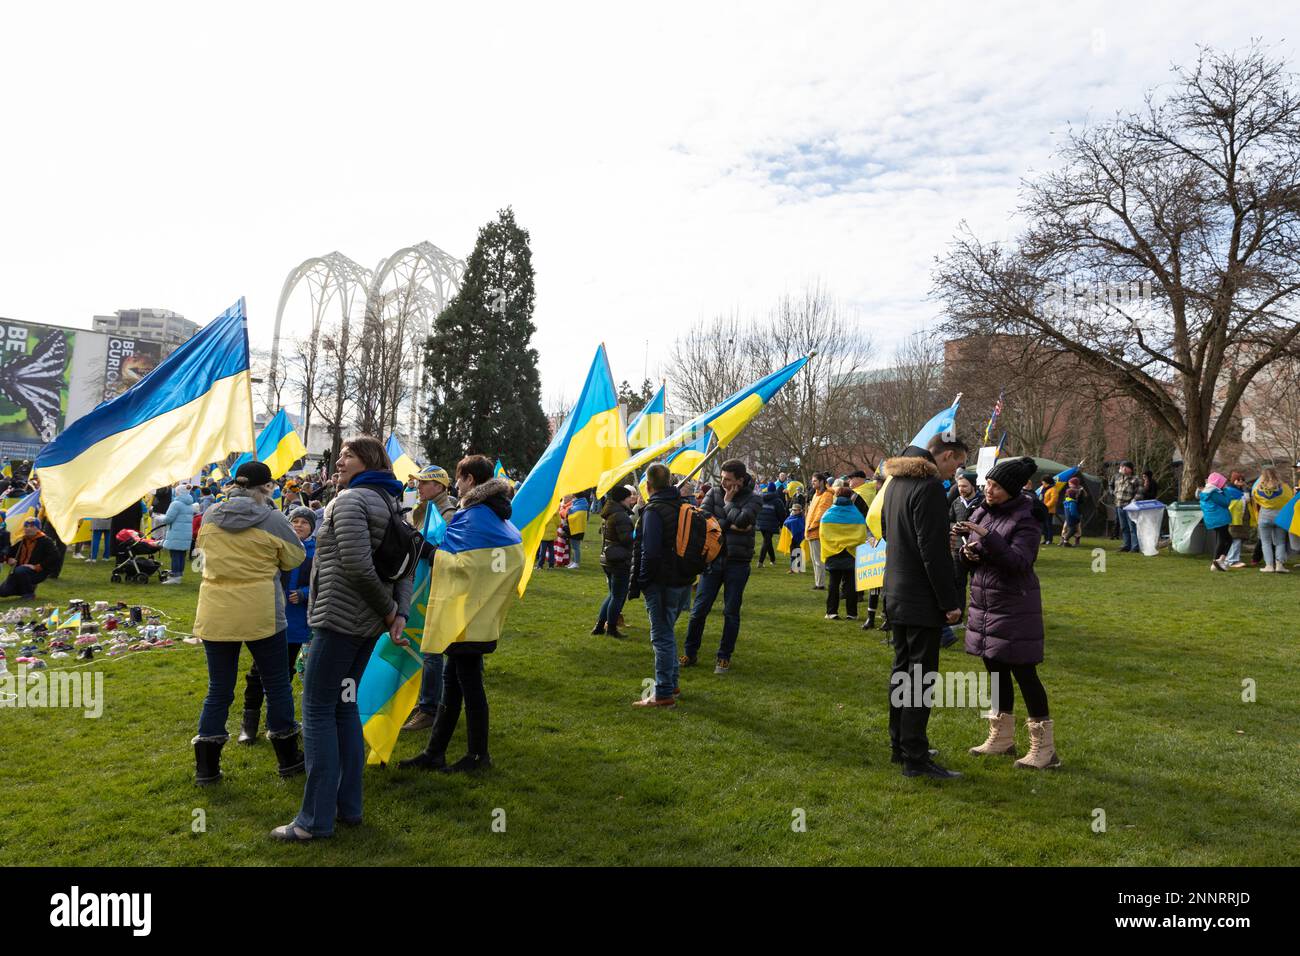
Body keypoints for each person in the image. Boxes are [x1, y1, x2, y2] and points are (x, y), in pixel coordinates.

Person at [273, 437, 412, 840]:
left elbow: (356, 565)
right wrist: (395, 613)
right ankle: (348, 808)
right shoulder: (391, 503)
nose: (338, 462)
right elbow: (406, 567)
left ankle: (313, 822)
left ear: (369, 460)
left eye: (348, 456)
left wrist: (391, 612)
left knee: (317, 709)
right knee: (344, 707)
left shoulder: (350, 501)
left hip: (339, 623)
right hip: (366, 626)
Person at [397, 455, 518, 772]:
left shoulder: (475, 515)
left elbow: (462, 565)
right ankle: (435, 752)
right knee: (453, 683)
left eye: (459, 477)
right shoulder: (493, 514)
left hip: (469, 618)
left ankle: (478, 756)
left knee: (469, 685)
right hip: (474, 615)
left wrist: (426, 550)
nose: (457, 483)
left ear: (470, 480)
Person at [191, 462, 307, 786]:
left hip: (217, 612)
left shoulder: (212, 514)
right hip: (261, 613)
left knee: (219, 689)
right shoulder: (273, 518)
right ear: (267, 487)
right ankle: (288, 758)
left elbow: (199, 557)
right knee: (277, 685)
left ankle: (207, 768)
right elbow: (295, 557)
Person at [952, 457, 1058, 768]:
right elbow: (981, 555)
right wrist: (967, 553)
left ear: (1011, 490)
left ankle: (1045, 749)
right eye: (989, 485)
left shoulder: (1027, 519)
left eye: (997, 487)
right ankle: (1001, 738)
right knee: (995, 669)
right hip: (987, 604)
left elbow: (1019, 562)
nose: (989, 491)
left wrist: (986, 537)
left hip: (1014, 605)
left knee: (1025, 672)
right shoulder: (982, 511)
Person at [879, 434, 967, 779]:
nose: (954, 474)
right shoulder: (928, 487)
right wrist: (950, 602)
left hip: (897, 592)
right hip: (920, 597)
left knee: (902, 672)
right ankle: (915, 756)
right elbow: (932, 553)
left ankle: (901, 745)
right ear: (945, 456)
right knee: (918, 679)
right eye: (956, 465)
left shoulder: (896, 482)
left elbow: (890, 532)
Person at [237, 505, 317, 745]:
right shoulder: (277, 546)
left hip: (295, 624)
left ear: (312, 527)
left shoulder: (316, 552)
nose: (299, 525)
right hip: (269, 618)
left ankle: (277, 722)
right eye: (295, 521)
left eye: (305, 522)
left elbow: (322, 582)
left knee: (284, 673)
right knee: (257, 672)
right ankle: (248, 723)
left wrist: (303, 593)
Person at [681, 459, 763, 675]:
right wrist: (732, 524)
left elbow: (745, 522)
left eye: (728, 479)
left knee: (731, 612)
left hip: (738, 562)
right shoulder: (712, 493)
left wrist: (728, 503)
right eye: (723, 479)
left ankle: (724, 657)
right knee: (699, 610)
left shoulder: (754, 498)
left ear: (740, 480)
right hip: (713, 559)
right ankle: (690, 652)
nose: (723, 483)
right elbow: (703, 520)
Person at [628, 463, 693, 707]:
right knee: (668, 632)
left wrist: (643, 580)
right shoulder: (683, 505)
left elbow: (650, 552)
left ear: (648, 485)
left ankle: (663, 692)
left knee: (661, 637)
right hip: (682, 579)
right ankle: (672, 684)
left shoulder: (654, 510)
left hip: (662, 582)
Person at [401, 465, 459, 734]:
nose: (419, 487)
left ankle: (429, 708)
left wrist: (424, 548)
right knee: (422, 645)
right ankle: (425, 701)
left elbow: (446, 554)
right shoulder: (422, 510)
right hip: (420, 586)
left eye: (424, 483)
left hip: (436, 589)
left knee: (431, 650)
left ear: (439, 487)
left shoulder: (448, 514)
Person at [591, 484, 637, 638]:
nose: (631, 500)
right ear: (623, 499)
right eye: (629, 497)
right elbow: (626, 539)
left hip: (608, 558)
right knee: (618, 596)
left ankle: (599, 626)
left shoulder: (610, 513)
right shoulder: (620, 516)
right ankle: (611, 628)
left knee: (612, 595)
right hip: (619, 560)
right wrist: (638, 533)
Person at [819, 480, 867, 620]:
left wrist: (834, 546)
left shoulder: (828, 515)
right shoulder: (857, 515)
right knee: (851, 585)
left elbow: (823, 534)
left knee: (833, 584)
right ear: (850, 497)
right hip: (851, 553)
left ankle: (831, 612)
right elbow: (862, 535)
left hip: (833, 552)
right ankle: (852, 613)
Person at [0, 518, 60, 599]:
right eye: (26, 526)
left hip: (37, 572)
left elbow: (55, 557)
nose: (28, 528)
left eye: (32, 526)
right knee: (3, 592)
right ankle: (25, 588)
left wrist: (37, 566)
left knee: (20, 570)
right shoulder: (21, 540)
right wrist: (9, 559)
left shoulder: (46, 541)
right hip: (19, 572)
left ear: (38, 528)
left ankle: (29, 593)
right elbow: (10, 552)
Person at [1252, 467, 1293, 573]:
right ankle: (1279, 564)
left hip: (1264, 516)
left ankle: (1269, 566)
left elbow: (1255, 499)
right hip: (1280, 516)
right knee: (1280, 542)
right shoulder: (1284, 487)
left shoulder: (1258, 488)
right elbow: (1290, 499)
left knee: (1265, 542)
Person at [154, 483, 195, 584]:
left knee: (175, 554)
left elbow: (168, 519)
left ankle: (175, 577)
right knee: (181, 554)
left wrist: (157, 517)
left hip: (176, 532)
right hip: (185, 533)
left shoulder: (176, 504)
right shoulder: (189, 504)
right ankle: (178, 575)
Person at [804, 473, 834, 590]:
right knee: (814, 559)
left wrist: (812, 526)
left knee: (818, 560)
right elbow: (811, 512)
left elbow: (821, 513)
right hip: (810, 531)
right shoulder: (816, 495)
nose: (813, 483)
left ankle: (820, 583)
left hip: (816, 531)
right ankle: (818, 582)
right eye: (812, 481)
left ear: (822, 482)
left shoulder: (827, 495)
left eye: (815, 481)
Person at [1198, 472, 1233, 572]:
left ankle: (1219, 560)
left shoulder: (1206, 492)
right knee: (1224, 540)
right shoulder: (1213, 493)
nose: (1223, 485)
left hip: (1213, 519)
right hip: (1220, 519)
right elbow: (1226, 502)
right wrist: (1226, 489)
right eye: (1222, 483)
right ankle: (1216, 562)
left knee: (1225, 539)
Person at [755, 481, 789, 568]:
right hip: (771, 523)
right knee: (766, 541)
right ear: (775, 490)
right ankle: (760, 562)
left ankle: (773, 560)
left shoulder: (760, 497)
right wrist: (782, 524)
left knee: (768, 541)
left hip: (760, 522)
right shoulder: (777, 500)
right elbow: (781, 513)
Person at [1224, 471, 1252, 568]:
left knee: (1235, 539)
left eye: (1242, 480)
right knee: (1236, 539)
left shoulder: (1236, 490)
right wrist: (1246, 491)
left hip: (1237, 519)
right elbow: (1247, 500)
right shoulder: (1232, 491)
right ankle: (1233, 560)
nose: (1240, 482)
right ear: (1233, 480)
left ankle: (1230, 559)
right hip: (1235, 519)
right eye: (1238, 480)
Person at [1111, 461, 1140, 552]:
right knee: (1124, 527)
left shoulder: (1136, 479)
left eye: (1124, 467)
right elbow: (1113, 488)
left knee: (1132, 527)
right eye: (1121, 466)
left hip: (1130, 507)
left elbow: (1140, 493)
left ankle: (1135, 547)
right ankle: (1126, 545)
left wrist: (1133, 501)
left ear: (1129, 469)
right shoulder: (1118, 478)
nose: (1121, 468)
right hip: (1119, 505)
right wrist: (1113, 493)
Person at [1058, 475, 1088, 548]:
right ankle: (1064, 539)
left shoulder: (1081, 491)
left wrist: (1075, 501)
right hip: (1070, 512)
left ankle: (1076, 540)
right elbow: (1066, 499)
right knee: (1065, 526)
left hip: (1077, 511)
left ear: (1074, 484)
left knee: (1077, 527)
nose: (1069, 485)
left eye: (1070, 483)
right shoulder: (1069, 490)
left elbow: (1082, 501)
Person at [565, 490, 590, 568]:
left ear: (575, 497)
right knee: (574, 546)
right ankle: (573, 562)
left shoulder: (579, 506)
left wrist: (568, 511)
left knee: (575, 547)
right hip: (578, 528)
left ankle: (576, 563)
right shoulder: (582, 504)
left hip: (576, 529)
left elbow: (572, 516)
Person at [782, 503, 805, 573]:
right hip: (792, 538)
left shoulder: (800, 518)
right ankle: (794, 568)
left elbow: (798, 525)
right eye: (792, 510)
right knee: (793, 553)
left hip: (799, 538)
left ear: (799, 511)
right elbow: (786, 522)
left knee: (798, 552)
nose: (793, 511)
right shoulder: (792, 517)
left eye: (795, 510)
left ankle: (798, 568)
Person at [1035, 476, 1058, 545]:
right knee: (1044, 525)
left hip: (1049, 510)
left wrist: (1045, 506)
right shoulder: (1044, 489)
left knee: (1048, 525)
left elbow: (1054, 500)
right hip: (1043, 509)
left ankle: (1049, 539)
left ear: (1046, 481)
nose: (1042, 482)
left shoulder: (1053, 489)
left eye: (1043, 481)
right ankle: (1045, 539)